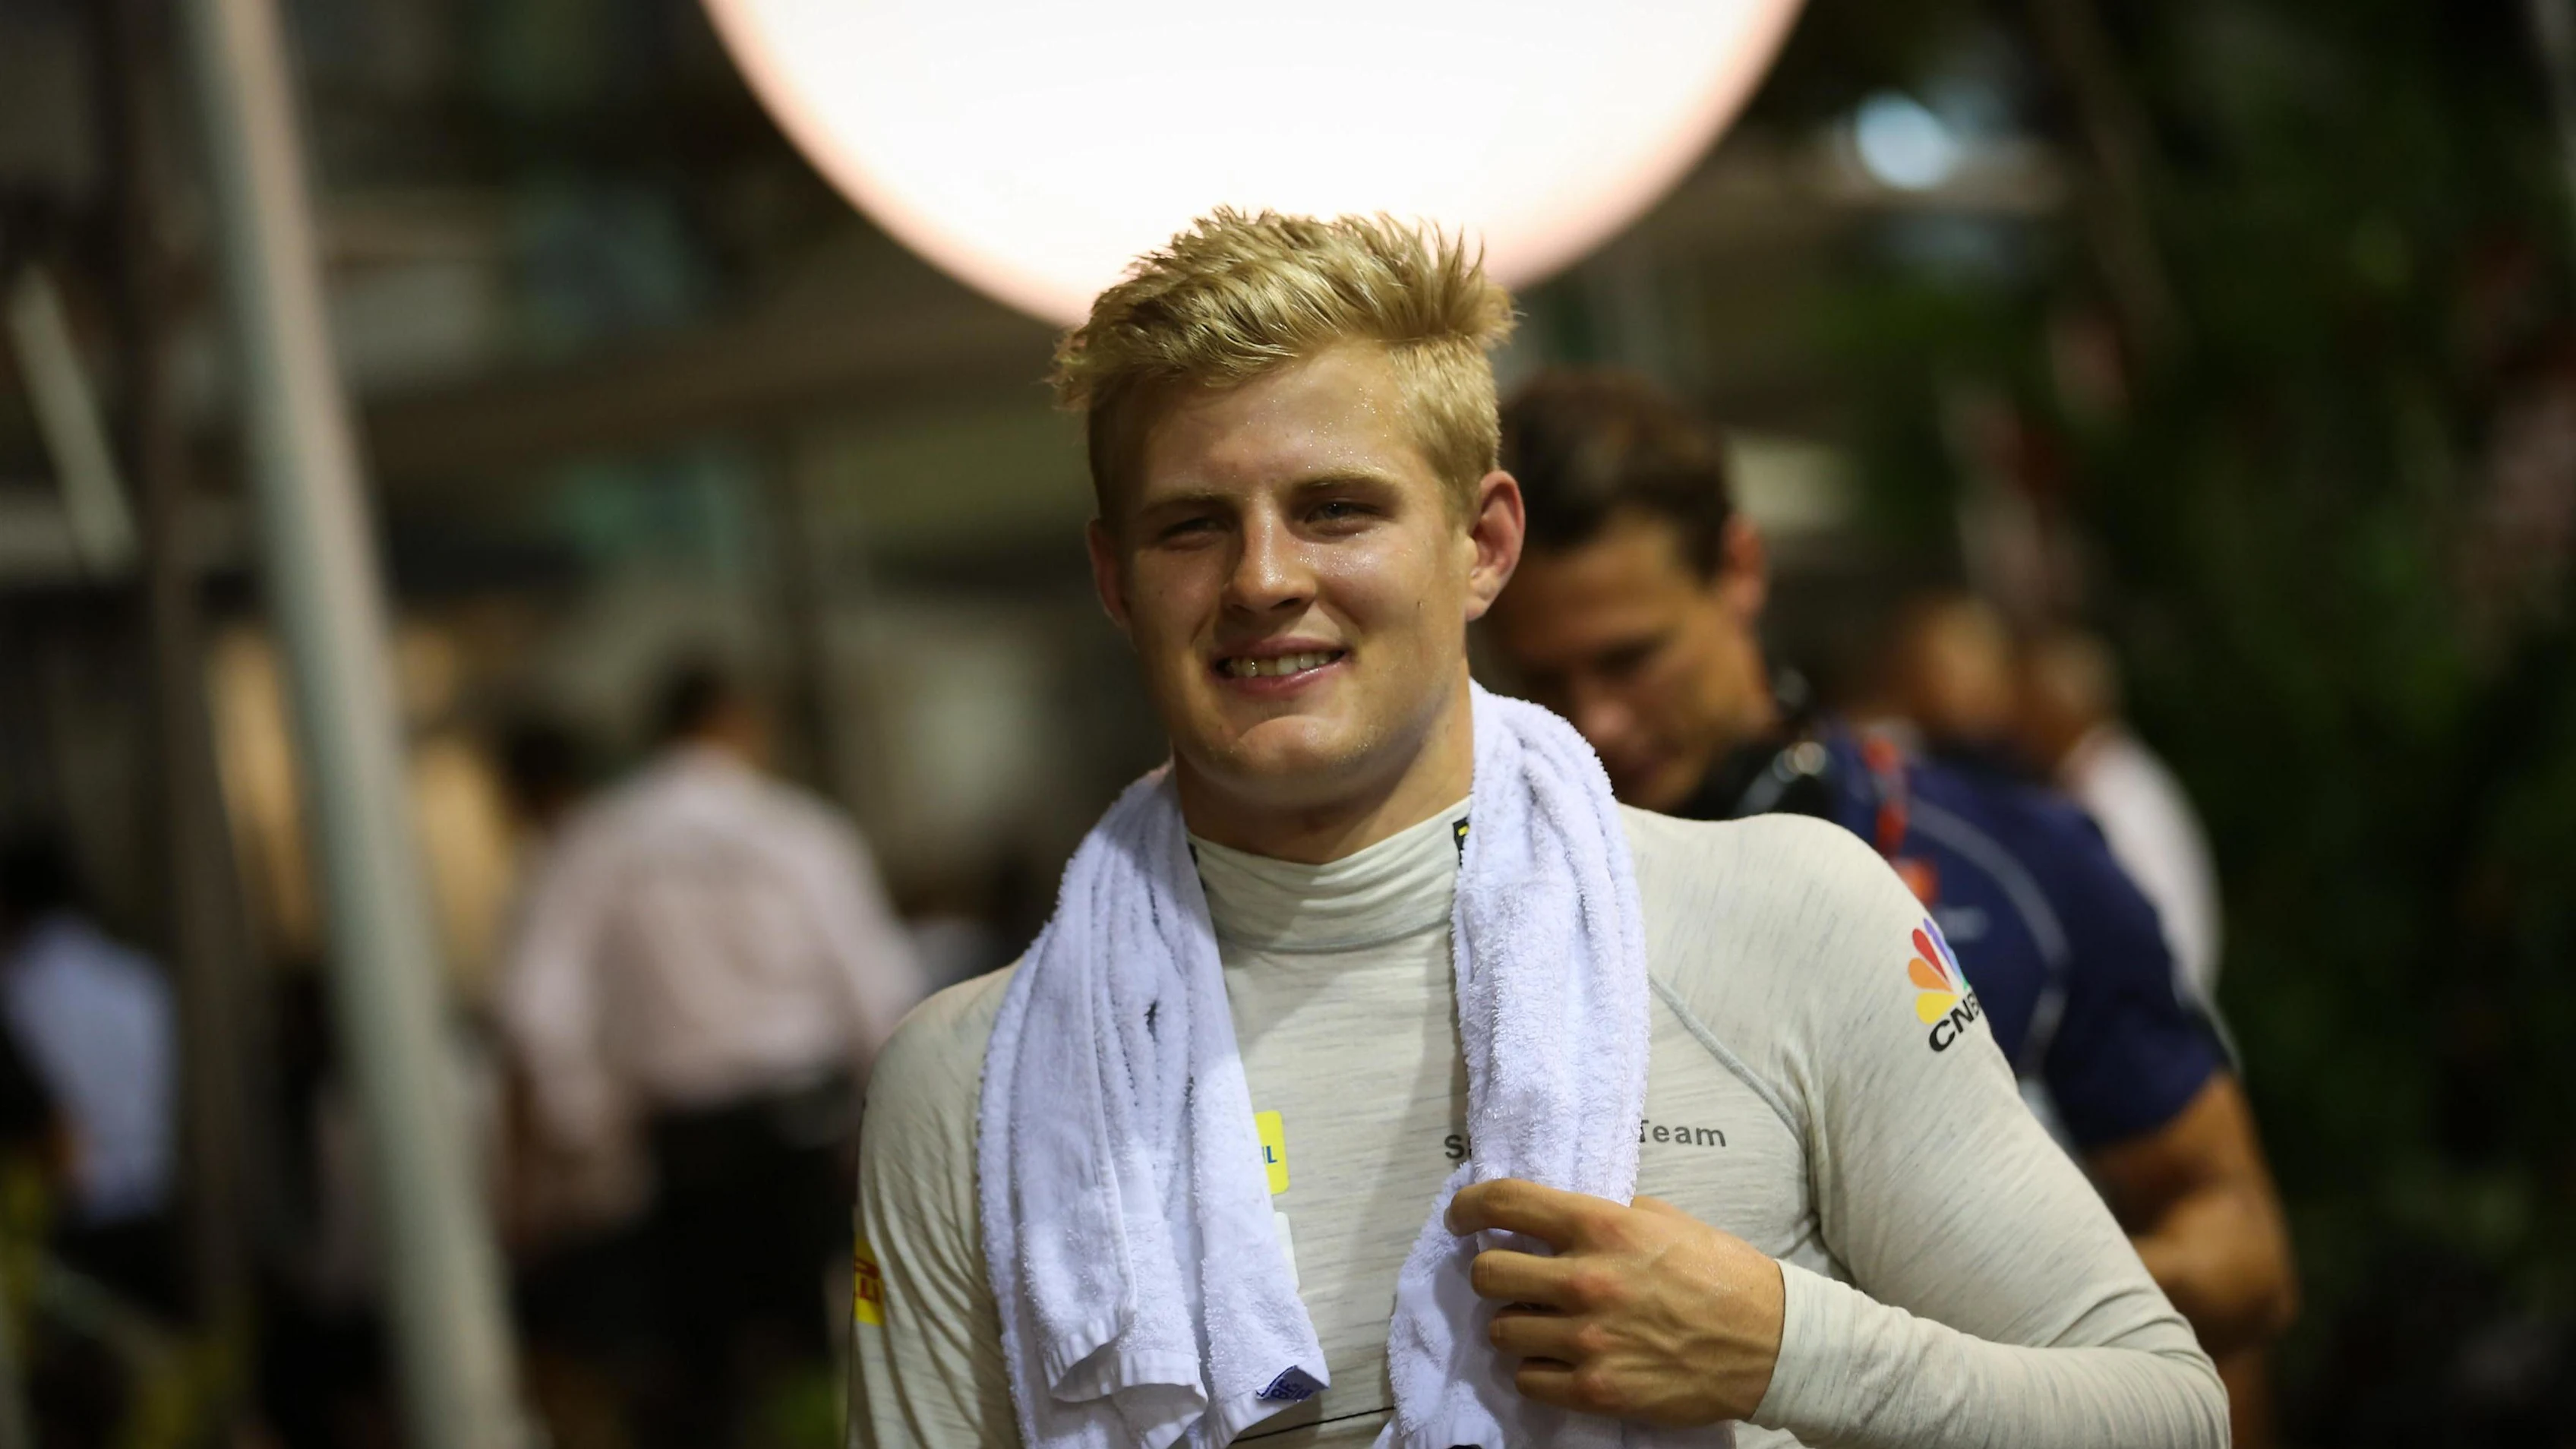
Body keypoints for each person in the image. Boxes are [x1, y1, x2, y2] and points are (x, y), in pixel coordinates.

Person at [850, 211, 2225, 1448]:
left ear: (1483, 543)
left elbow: (2163, 1408)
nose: (1263, 577)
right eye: (1192, 526)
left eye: (1335, 508)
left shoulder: (1789, 915)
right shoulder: (965, 1084)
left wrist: (1780, 1345)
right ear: (1114, 577)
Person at [1482, 370, 2295, 1443]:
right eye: (1544, 678)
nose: (1596, 720)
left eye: (1633, 657)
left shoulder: (2014, 858)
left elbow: (2246, 1247)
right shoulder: (1496, 910)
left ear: (1739, 568)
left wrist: (1993, 1307)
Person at [498, 661, 923, 1447]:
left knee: (703, 1377)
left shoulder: (602, 838)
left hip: (678, 1146)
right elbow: (879, 995)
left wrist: (587, 1128)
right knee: (827, 1365)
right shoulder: (798, 829)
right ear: (739, 723)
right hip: (802, 1126)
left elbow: (533, 1007)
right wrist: (881, 1132)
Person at [0, 827, 177, 1312]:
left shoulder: (19, 994)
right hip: (170, 1204)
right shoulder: (140, 976)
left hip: (85, 1228)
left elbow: (43, 1131)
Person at [2018, 627, 2226, 1005]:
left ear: (2056, 708)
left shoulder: (2105, 799)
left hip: (2154, 1030)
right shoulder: (2122, 775)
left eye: (2028, 704)